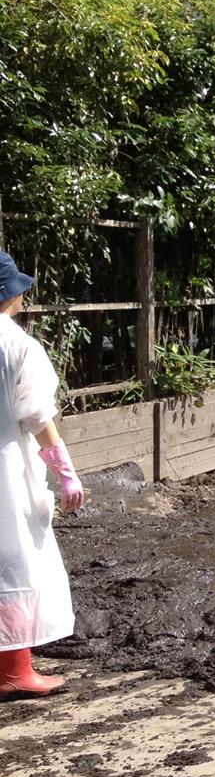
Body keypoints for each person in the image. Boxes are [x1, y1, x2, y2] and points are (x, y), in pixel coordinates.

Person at [1, 252, 85, 698]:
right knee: (15, 560)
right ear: (11, 294)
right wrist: (66, 472)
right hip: (6, 468)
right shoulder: (16, 346)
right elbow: (36, 416)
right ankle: (15, 671)